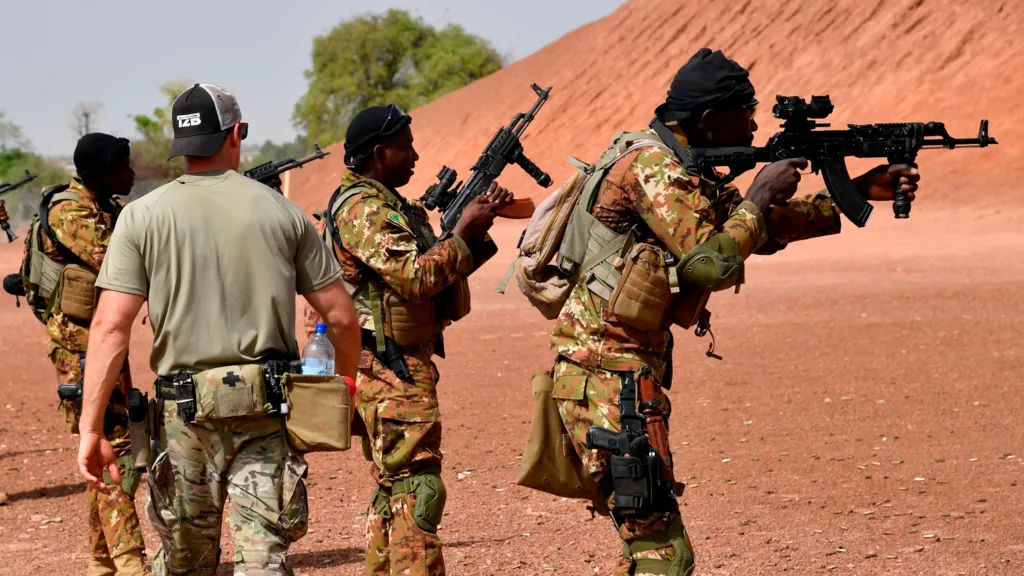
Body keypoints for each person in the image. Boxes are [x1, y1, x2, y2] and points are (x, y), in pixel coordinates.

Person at [541, 48, 921, 575]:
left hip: (620, 370)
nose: (754, 123)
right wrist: (759, 193)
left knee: (650, 541)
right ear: (707, 119)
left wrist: (855, 192)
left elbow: (754, 233)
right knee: (662, 553)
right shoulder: (655, 168)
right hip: (604, 374)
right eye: (746, 112)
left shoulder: (681, 167)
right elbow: (709, 265)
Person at [75, 83, 361, 575]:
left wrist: (90, 427)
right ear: (235, 134)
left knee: (186, 562)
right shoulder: (283, 212)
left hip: (183, 419)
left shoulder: (141, 217)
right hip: (265, 413)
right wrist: (347, 386)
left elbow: (109, 328)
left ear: (180, 145)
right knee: (263, 562)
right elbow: (340, 316)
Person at [309, 104, 512, 575]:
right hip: (388, 370)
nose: (416, 155)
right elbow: (416, 279)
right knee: (417, 488)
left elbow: (435, 279)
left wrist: (474, 234)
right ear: (380, 153)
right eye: (406, 147)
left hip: (392, 365)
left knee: (395, 488)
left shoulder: (386, 205)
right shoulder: (364, 209)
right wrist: (462, 233)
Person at [37, 132, 147, 576]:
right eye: (124, 164)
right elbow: (117, 260)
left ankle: (103, 563)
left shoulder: (110, 209)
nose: (133, 172)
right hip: (80, 348)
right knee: (112, 447)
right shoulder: (70, 210)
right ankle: (131, 563)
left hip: (104, 343)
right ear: (101, 171)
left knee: (107, 446)